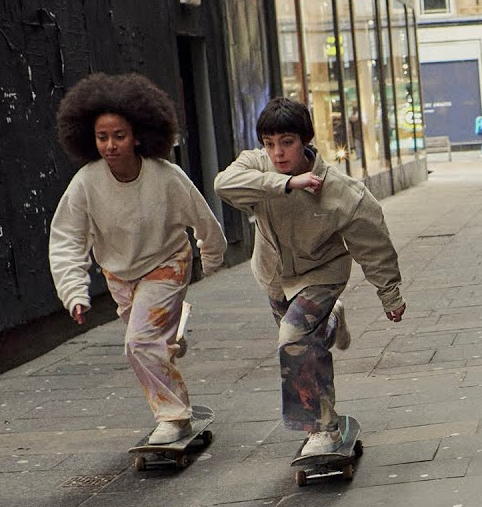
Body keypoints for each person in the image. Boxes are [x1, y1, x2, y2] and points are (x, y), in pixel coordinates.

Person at [214, 98, 406, 456]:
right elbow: (224, 184)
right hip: (274, 275)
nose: (277, 153)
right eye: (269, 143)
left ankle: (322, 430)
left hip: (322, 274)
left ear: (305, 141)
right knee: (305, 345)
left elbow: (373, 244)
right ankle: (331, 321)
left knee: (293, 339)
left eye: (286, 142)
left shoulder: (341, 191)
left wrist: (390, 294)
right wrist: (285, 184)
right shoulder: (256, 165)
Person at [49, 72, 227, 444]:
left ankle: (175, 417)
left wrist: (211, 261)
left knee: (140, 343)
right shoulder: (86, 182)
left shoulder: (167, 177)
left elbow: (204, 222)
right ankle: (171, 338)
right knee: (148, 342)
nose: (110, 145)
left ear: (139, 135)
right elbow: (67, 237)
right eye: (102, 137)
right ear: (89, 138)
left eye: (119, 136)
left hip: (167, 263)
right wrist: (74, 291)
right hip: (119, 274)